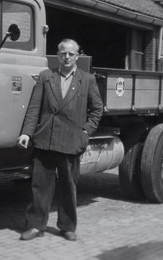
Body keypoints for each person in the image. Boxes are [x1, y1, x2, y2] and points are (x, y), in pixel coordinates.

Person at [17, 38, 103, 242]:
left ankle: (67, 226)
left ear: (77, 56)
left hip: (71, 141)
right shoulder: (46, 77)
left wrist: (85, 132)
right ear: (57, 55)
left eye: (71, 54)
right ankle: (36, 225)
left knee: (68, 186)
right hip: (46, 138)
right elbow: (34, 108)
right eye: (63, 53)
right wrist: (27, 133)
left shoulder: (87, 79)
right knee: (40, 186)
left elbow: (97, 109)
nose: (67, 57)